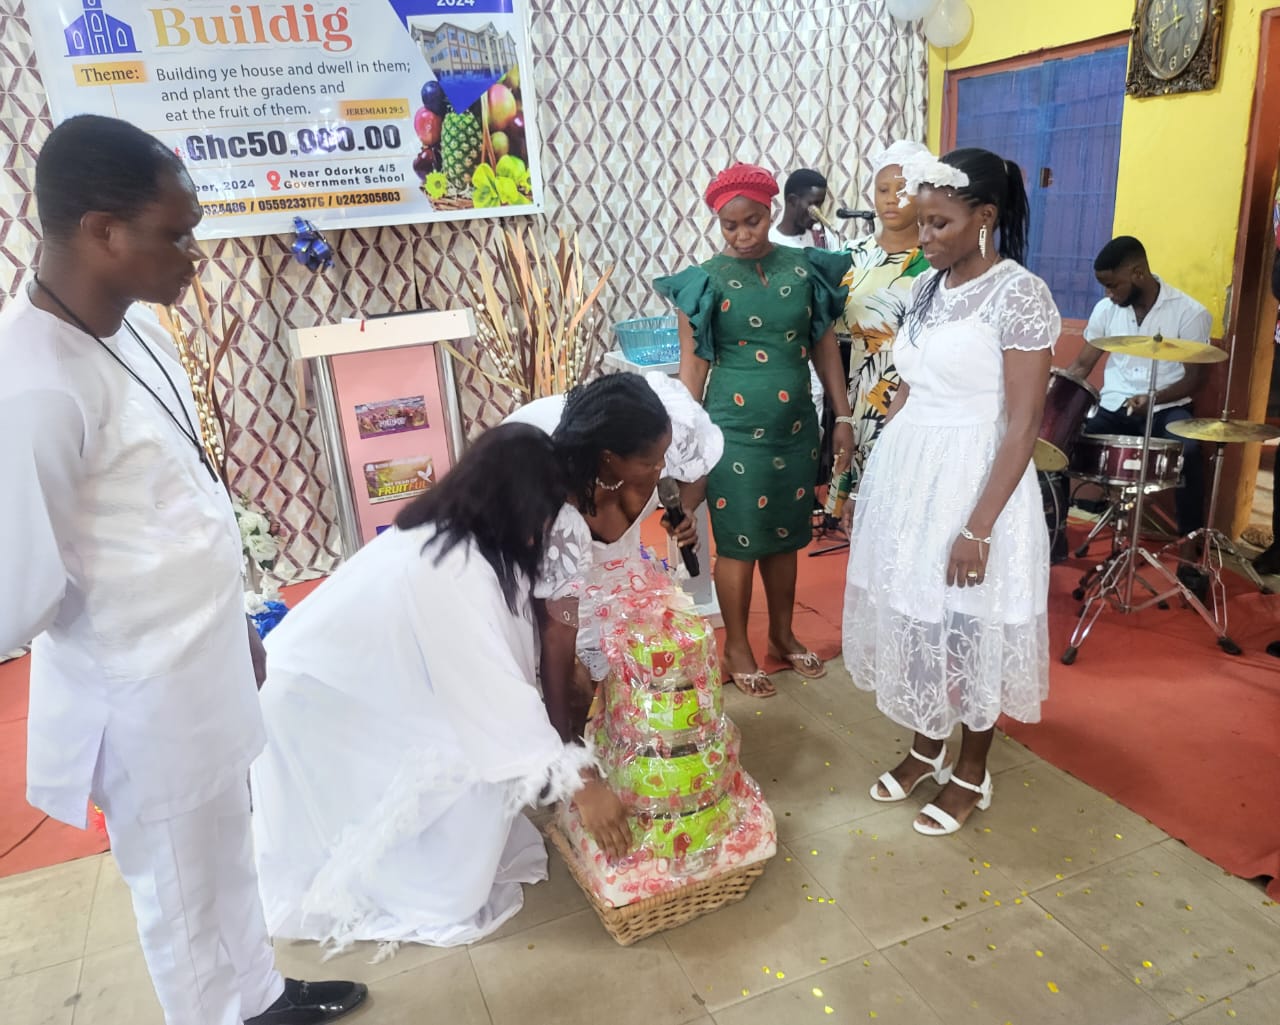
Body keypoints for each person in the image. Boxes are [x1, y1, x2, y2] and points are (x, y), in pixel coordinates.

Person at [0, 114, 362, 1025]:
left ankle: (261, 996)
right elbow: (20, 593)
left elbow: (179, 497)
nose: (194, 255)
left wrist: (233, 619)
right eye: (176, 234)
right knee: (179, 896)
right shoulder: (33, 383)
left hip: (204, 660)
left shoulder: (134, 330)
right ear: (103, 232)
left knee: (229, 852)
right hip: (142, 697)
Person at [249, 424, 628, 950]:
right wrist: (580, 780)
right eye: (543, 513)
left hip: (356, 684)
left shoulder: (472, 535)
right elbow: (492, 690)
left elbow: (506, 653)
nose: (546, 529)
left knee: (463, 778)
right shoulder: (453, 566)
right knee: (436, 885)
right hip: (318, 696)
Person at [842, 147, 1060, 836]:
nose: (925, 236)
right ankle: (926, 746)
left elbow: (1024, 422)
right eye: (921, 222)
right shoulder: (926, 289)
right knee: (917, 614)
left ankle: (972, 769)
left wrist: (978, 527)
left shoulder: (1019, 294)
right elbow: (909, 386)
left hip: (977, 481)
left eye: (939, 223)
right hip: (912, 475)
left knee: (972, 625)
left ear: (984, 217)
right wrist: (874, 483)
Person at [656, 163, 855, 697]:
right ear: (717, 223)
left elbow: (824, 346)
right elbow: (693, 368)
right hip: (733, 431)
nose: (743, 235)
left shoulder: (805, 270)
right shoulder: (703, 282)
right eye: (730, 225)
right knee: (740, 543)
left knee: (786, 538)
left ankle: (783, 636)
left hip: (796, 427)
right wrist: (685, 443)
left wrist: (842, 417)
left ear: (770, 212)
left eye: (753, 221)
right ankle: (738, 646)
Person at [505, 372, 723, 742]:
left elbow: (696, 469)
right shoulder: (558, 509)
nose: (663, 467)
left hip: (620, 567)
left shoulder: (657, 435)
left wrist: (684, 508)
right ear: (610, 459)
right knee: (570, 686)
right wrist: (563, 750)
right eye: (650, 463)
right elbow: (558, 634)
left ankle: (613, 748)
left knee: (623, 669)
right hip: (543, 568)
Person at [1065, 236, 1211, 541]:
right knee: (1060, 442)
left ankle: (1189, 543)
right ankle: (1055, 530)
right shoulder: (1106, 310)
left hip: (1166, 409)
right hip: (1114, 406)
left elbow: (1195, 379)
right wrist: (1056, 403)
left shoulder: (1189, 312)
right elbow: (1081, 365)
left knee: (1189, 452)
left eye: (1112, 285)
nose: (1108, 294)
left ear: (1138, 274)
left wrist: (1153, 399)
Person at [841, 140, 933, 473]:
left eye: (903, 190)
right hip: (860, 392)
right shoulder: (851, 255)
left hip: (920, 397)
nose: (891, 198)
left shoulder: (937, 259)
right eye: (883, 190)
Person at [768, 168, 839, 250]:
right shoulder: (769, 242)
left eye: (820, 205)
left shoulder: (824, 238)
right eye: (813, 206)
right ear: (792, 201)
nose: (817, 214)